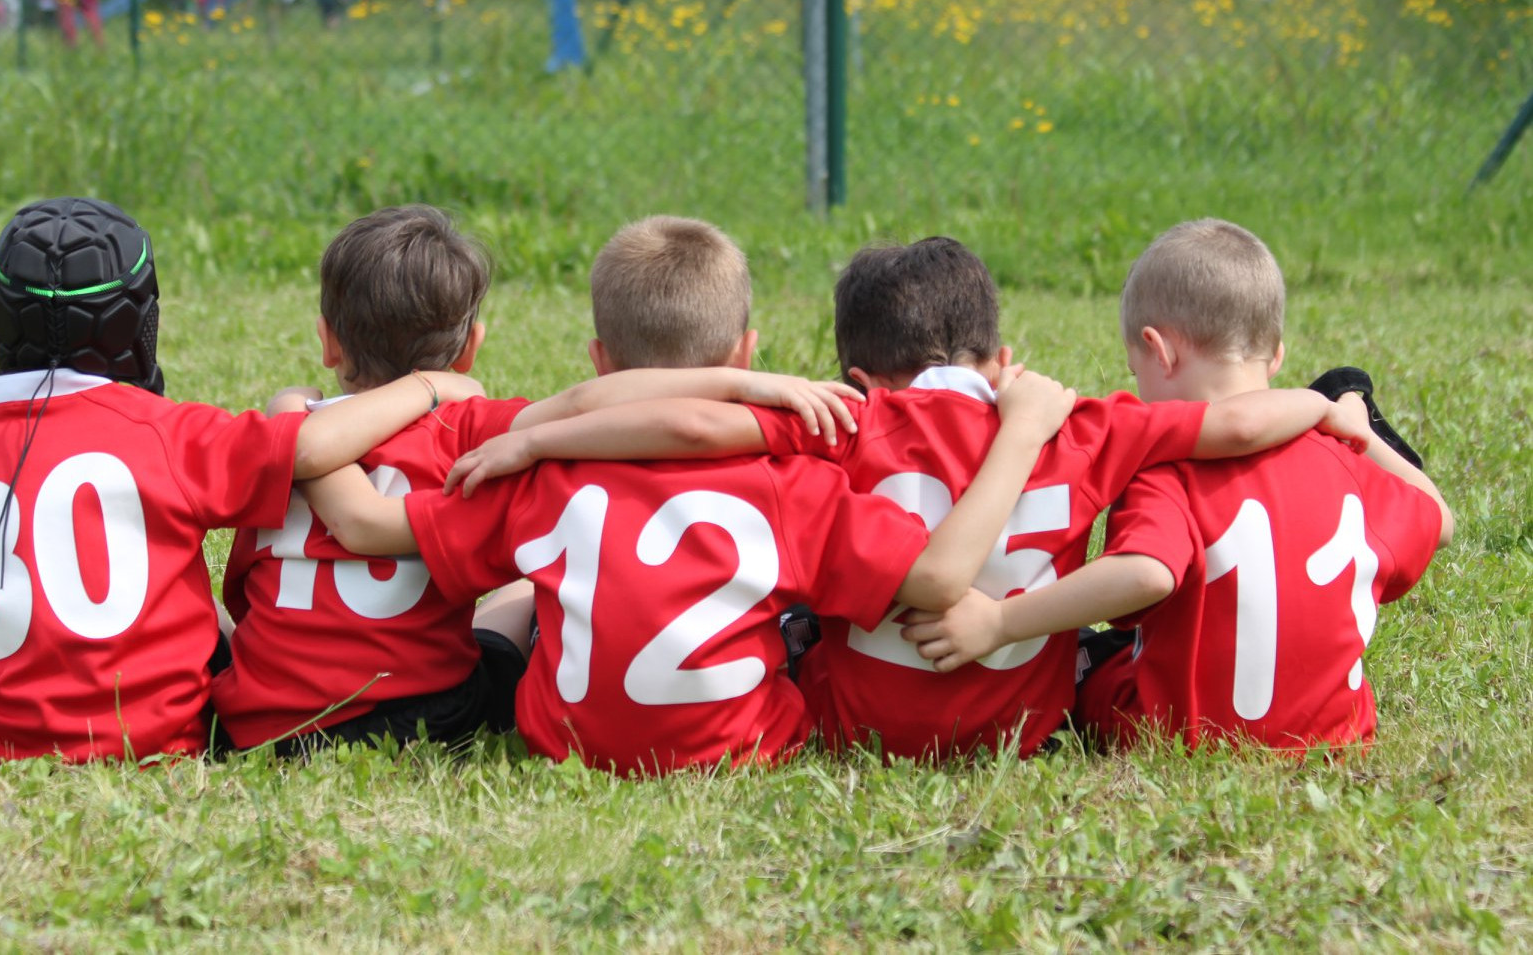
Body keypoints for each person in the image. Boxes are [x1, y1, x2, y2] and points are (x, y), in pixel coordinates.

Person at [439, 235, 1375, 761]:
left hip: (857, 727)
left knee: (781, 600)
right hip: (1025, 727)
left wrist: (539, 436)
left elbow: (685, 424)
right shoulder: (1086, 423)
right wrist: (1338, 403)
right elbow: (1243, 426)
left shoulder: (843, 424)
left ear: (858, 374)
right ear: (1003, 362)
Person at [300, 216, 1081, 775]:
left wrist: (298, 426)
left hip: (560, 743)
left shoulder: (535, 475)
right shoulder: (797, 484)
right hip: (743, 748)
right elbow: (931, 579)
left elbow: (375, 528)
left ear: (602, 362)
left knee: (531, 584)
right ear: (747, 349)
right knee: (800, 611)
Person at [0, 197, 484, 763]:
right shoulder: (171, 431)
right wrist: (430, 385)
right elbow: (310, 447)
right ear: (140, 319)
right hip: (160, 730)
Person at [214, 207, 864, 756]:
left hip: (261, 722)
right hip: (428, 718)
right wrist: (742, 386)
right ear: (472, 349)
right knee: (526, 589)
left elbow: (241, 592)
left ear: (328, 342)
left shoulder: (268, 436)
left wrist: (285, 412)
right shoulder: (471, 428)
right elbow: (591, 401)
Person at [904, 219, 1451, 753]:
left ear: (1158, 350)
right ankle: (1353, 393)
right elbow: (1440, 520)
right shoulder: (1345, 463)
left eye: (1134, 370)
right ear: (1277, 354)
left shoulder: (1168, 469)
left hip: (1175, 734)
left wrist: (1000, 621)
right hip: (1334, 735)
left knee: (1072, 658)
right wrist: (1355, 429)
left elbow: (1145, 575)